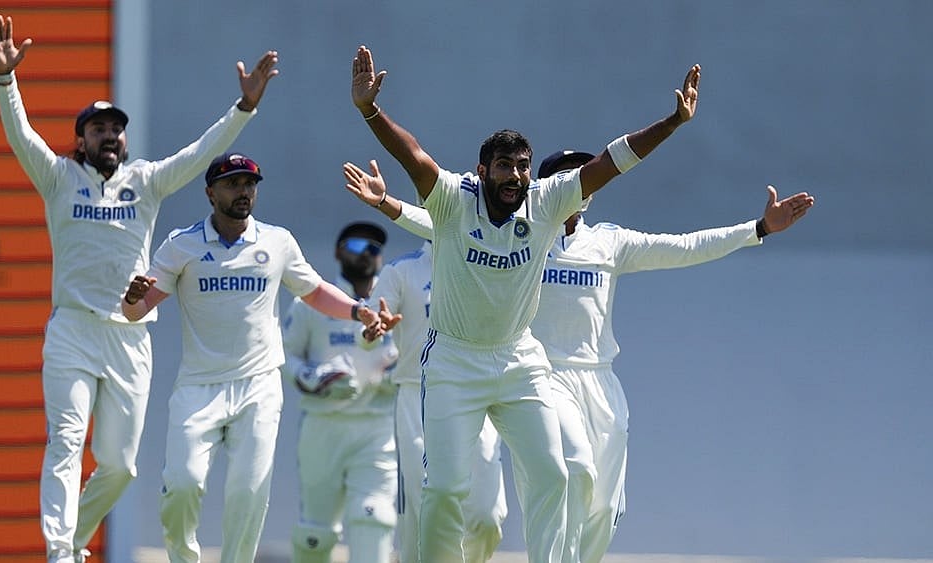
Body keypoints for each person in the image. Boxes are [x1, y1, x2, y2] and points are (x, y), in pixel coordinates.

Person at [343, 152, 815, 563]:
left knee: (605, 508)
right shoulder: (524, 230)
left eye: (585, 176)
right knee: (572, 468)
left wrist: (756, 229)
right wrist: (387, 203)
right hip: (538, 376)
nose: (581, 185)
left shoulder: (608, 242)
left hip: (600, 381)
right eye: (570, 176)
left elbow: (685, 247)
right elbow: (438, 222)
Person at [349, 44, 700, 562]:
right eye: (505, 166)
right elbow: (414, 155)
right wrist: (370, 111)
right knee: (445, 491)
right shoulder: (451, 198)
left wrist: (672, 122)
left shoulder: (548, 201)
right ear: (482, 169)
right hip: (454, 360)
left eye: (523, 167)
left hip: (519, 360)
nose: (515, 176)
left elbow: (611, 161)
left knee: (554, 476)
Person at [0, 14, 279, 563]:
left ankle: (73, 539)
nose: (110, 136)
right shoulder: (57, 177)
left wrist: (244, 108)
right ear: (82, 139)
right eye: (99, 129)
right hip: (72, 330)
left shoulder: (144, 181)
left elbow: (198, 155)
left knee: (121, 467)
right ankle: (57, 553)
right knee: (66, 444)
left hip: (129, 336)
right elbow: (20, 136)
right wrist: (7, 81)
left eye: (117, 128)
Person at [119, 153, 393, 563]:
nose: (243, 191)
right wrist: (131, 301)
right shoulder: (181, 245)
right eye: (232, 184)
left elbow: (314, 291)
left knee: (248, 491)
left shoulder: (276, 241)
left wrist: (358, 311)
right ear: (211, 193)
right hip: (199, 386)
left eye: (249, 184)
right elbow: (137, 312)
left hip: (258, 385)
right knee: (182, 485)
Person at [364, 235, 508, 563]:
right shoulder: (403, 270)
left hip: (476, 393)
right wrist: (374, 328)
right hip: (419, 396)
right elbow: (370, 330)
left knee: (487, 516)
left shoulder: (487, 262)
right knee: (421, 512)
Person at [281, 222, 402, 563]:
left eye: (374, 247)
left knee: (373, 516)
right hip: (323, 425)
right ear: (338, 252)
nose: (366, 253)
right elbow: (284, 356)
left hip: (376, 427)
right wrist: (314, 377)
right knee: (314, 534)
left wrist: (390, 376)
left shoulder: (393, 302)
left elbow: (416, 358)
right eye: (357, 244)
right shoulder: (312, 302)